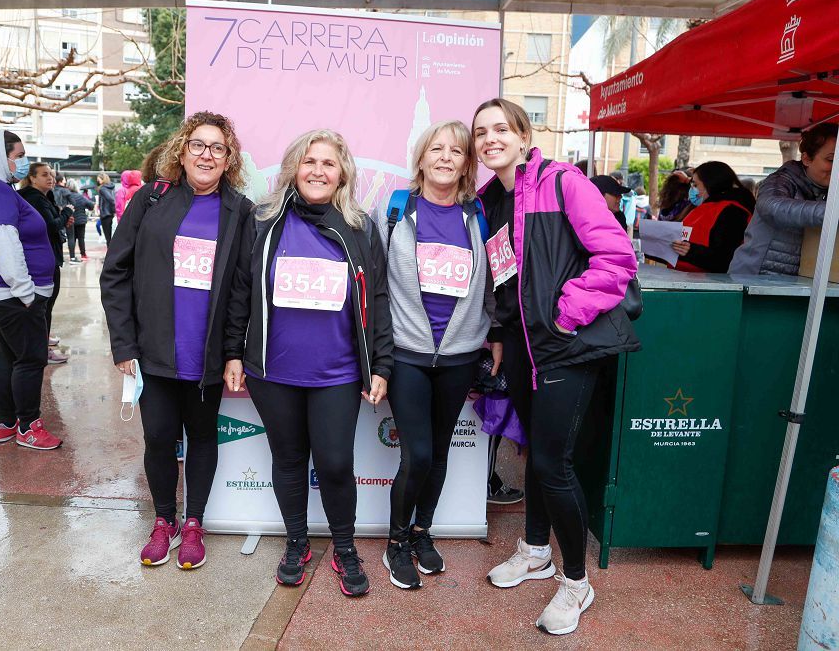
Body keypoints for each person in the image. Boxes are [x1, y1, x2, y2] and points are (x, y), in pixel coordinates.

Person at [473, 99, 639, 635]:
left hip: (565, 346)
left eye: (501, 128)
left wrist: (568, 315)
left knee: (553, 462)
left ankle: (575, 581)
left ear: (523, 135)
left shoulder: (562, 182)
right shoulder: (489, 200)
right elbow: (504, 279)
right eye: (481, 132)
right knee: (534, 457)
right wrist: (500, 335)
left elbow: (616, 257)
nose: (490, 139)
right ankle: (535, 549)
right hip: (522, 349)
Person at [224, 129, 393, 598]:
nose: (318, 170)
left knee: (336, 463)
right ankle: (296, 543)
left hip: (337, 373)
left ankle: (343, 548)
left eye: (329, 163)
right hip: (272, 372)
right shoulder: (263, 222)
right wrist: (233, 353)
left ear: (342, 174)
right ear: (293, 168)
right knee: (289, 459)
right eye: (309, 161)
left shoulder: (359, 228)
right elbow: (240, 291)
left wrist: (380, 364)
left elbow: (377, 298)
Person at [101, 111, 253, 570]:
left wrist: (233, 352)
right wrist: (124, 344)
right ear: (182, 151)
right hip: (154, 351)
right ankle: (163, 521)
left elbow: (242, 290)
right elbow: (115, 274)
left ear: (229, 160)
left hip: (205, 355)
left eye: (217, 148)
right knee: (160, 438)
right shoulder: (151, 199)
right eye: (198, 145)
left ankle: (194, 524)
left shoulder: (240, 212)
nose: (206, 155)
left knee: (203, 437)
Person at [369, 120, 496, 590]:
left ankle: (423, 533)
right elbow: (376, 288)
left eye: (456, 151)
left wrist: (495, 333)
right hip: (407, 353)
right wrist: (377, 355)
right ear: (421, 158)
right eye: (436, 149)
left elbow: (493, 284)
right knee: (417, 453)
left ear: (467, 163)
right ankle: (395, 542)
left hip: (461, 354)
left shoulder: (478, 215)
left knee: (439, 452)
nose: (445, 157)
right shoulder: (397, 210)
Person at [0, 130, 61, 450]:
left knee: (7, 354)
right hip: (11, 292)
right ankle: (28, 426)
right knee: (31, 359)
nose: (22, 162)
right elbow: (5, 243)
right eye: (18, 156)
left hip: (0, 291)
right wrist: (26, 292)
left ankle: (6, 423)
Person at [729, 123, 836, 276]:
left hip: (796, 284)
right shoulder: (781, 180)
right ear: (806, 159)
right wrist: (832, 212)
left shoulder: (829, 190)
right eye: (831, 160)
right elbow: (771, 207)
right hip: (754, 279)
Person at [18, 162, 72, 364]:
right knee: (44, 305)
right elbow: (50, 226)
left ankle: (43, 339)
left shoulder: (40, 197)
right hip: (44, 258)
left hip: (41, 256)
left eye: (51, 174)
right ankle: (42, 349)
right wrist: (66, 212)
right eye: (44, 174)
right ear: (32, 178)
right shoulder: (35, 199)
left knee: (43, 305)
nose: (50, 178)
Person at [670, 161, 754, 273]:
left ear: (711, 184)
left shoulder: (733, 212)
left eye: (695, 185)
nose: (691, 190)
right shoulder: (702, 208)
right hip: (683, 279)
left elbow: (723, 258)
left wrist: (689, 251)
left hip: (710, 284)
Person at [53, 173, 78, 264]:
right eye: (64, 179)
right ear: (60, 181)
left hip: (56, 215)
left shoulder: (52, 190)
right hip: (67, 215)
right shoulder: (66, 191)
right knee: (71, 236)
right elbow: (73, 202)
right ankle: (72, 257)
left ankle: (60, 257)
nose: (65, 181)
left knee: (58, 236)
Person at [67, 179, 94, 260]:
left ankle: (72, 256)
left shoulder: (67, 196)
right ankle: (83, 254)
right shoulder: (80, 196)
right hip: (81, 220)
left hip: (70, 220)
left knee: (71, 238)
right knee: (81, 238)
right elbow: (91, 206)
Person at [96, 172, 116, 244]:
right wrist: (114, 211)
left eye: (99, 180)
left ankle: (109, 253)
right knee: (111, 235)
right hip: (110, 213)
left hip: (105, 214)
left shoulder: (102, 189)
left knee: (108, 237)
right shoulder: (112, 187)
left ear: (102, 179)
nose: (98, 181)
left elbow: (111, 199)